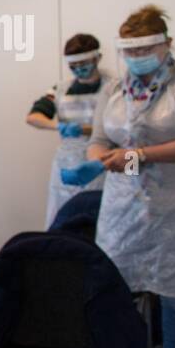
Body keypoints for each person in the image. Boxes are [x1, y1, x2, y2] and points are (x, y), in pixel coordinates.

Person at [87, 5, 175, 348]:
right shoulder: (116, 89)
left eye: (146, 48)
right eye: (130, 49)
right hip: (121, 207)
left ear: (166, 44)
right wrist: (103, 157)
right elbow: (98, 138)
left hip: (173, 208)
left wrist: (142, 155)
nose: (137, 56)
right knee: (115, 287)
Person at [26, 34, 109, 225]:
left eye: (84, 63)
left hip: (101, 164)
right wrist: (59, 126)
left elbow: (117, 129)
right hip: (67, 165)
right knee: (62, 222)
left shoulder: (114, 87)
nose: (79, 69)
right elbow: (33, 117)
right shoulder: (60, 89)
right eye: (74, 65)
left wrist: (84, 130)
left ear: (97, 58)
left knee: (100, 223)